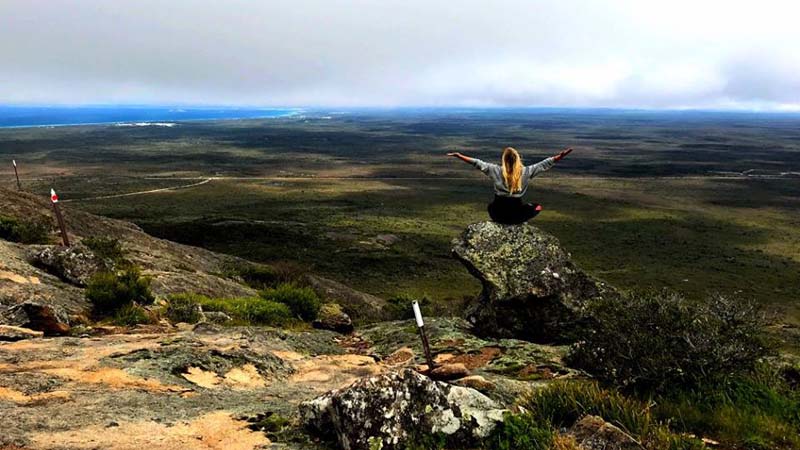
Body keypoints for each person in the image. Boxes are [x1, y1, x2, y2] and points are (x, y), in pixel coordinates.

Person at [447, 146, 573, 224]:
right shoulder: (526, 172)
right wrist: (560, 157)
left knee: (490, 206)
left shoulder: (495, 170)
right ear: (518, 159)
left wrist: (459, 156)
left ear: (504, 159)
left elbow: (477, 163)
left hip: (497, 214)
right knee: (537, 207)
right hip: (516, 216)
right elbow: (544, 164)